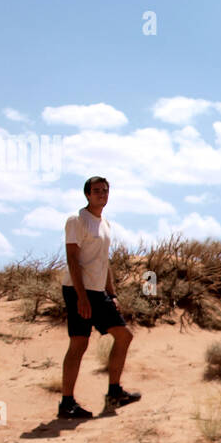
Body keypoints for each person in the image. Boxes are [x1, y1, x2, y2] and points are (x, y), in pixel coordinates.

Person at [57, 176, 141, 419]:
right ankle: (67, 403)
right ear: (87, 195)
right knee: (79, 343)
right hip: (77, 290)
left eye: (105, 191)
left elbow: (104, 262)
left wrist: (112, 293)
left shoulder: (105, 224)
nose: (101, 195)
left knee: (124, 336)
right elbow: (72, 259)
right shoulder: (77, 221)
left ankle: (114, 392)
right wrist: (81, 297)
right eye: (96, 191)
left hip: (98, 291)